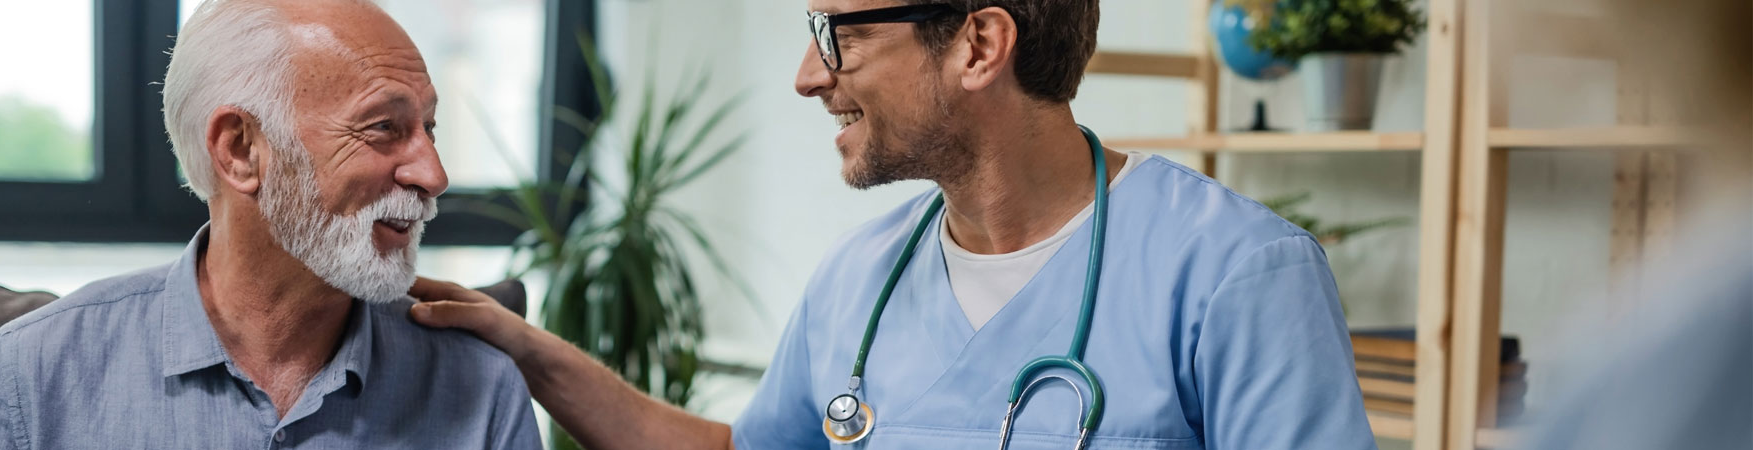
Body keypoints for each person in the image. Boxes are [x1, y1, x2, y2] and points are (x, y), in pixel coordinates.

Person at [411, 0, 1373, 448]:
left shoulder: (1236, 274)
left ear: (979, 45)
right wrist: (526, 350)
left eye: (843, 33)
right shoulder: (863, 278)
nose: (808, 72)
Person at [0, 0, 540, 448]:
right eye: (383, 127)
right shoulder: (30, 377)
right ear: (241, 150)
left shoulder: (479, 387)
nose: (433, 174)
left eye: (427, 128)